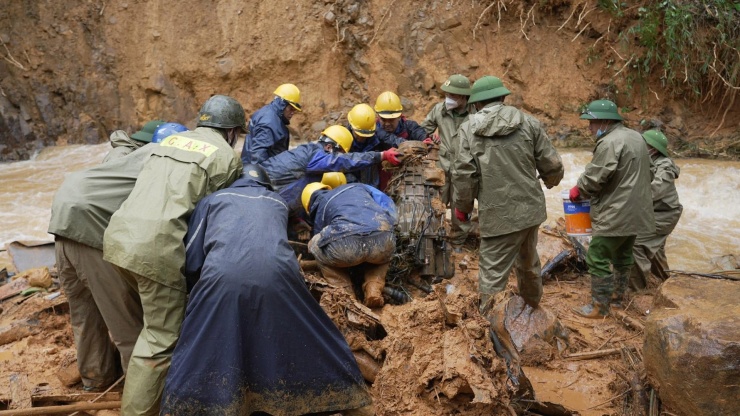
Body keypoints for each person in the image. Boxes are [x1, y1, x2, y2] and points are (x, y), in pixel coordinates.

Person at [161, 165, 373, 415]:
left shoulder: (211, 200)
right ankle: (344, 396)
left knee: (202, 341)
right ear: (265, 185)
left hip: (222, 274)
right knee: (311, 332)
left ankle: (191, 407)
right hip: (280, 273)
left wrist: (199, 294)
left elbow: (194, 256)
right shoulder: (277, 202)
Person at [103, 95, 245, 415]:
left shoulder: (172, 139)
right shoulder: (226, 158)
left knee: (150, 327)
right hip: (157, 249)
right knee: (159, 339)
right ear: (233, 132)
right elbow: (218, 219)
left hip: (117, 237)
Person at [49, 146, 159, 392]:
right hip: (88, 236)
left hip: (62, 229)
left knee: (85, 315)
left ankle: (96, 379)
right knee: (126, 323)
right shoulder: (163, 165)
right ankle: (141, 394)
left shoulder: (120, 157)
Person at [452, 76, 564, 312]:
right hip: (530, 210)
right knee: (529, 262)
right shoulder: (529, 123)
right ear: (503, 98)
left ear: (477, 104)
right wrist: (550, 181)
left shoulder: (468, 130)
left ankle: (489, 327)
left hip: (497, 214)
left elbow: (463, 175)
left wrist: (462, 209)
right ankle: (532, 309)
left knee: (492, 273)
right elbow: (552, 165)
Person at [570, 99, 655, 318]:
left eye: (592, 123)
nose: (589, 128)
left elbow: (596, 176)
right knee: (623, 255)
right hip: (638, 211)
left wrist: (578, 190)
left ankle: (600, 307)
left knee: (597, 255)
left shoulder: (609, 143)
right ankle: (617, 301)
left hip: (616, 212)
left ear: (605, 122)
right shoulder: (637, 137)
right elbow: (651, 171)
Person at [261, 124, 404, 220]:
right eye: (340, 152)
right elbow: (343, 161)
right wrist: (381, 156)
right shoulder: (316, 156)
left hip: (267, 203)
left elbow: (292, 191)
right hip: (262, 204)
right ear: (329, 147)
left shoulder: (308, 155)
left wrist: (296, 220)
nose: (339, 156)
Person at [304, 180, 398, 308]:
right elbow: (387, 203)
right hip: (381, 239)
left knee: (315, 244)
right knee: (383, 258)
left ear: (308, 205)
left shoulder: (322, 205)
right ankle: (373, 288)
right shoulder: (358, 187)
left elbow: (322, 240)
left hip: (346, 246)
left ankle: (346, 296)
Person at [420, 74, 475, 250]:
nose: (448, 99)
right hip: (442, 166)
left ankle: (458, 240)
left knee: (462, 204)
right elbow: (422, 131)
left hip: (465, 167)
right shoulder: (439, 110)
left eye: (453, 95)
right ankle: (435, 237)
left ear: (464, 97)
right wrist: (429, 140)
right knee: (436, 203)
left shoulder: (476, 114)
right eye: (447, 94)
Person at [630, 129, 683, 289]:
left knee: (635, 242)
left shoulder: (665, 166)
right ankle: (667, 282)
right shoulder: (642, 159)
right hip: (651, 212)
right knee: (656, 251)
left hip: (664, 215)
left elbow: (656, 189)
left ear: (652, 149)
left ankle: (637, 289)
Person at [374, 92, 427, 189]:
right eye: (383, 120)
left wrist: (426, 139)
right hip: (377, 179)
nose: (387, 123)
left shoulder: (409, 126)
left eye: (391, 120)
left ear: (399, 116)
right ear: (378, 116)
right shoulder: (372, 131)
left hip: (403, 180)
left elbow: (418, 132)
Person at [344, 103, 405, 188]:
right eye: (359, 134)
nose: (362, 138)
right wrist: (359, 188)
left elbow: (391, 139)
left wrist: (409, 145)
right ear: (351, 126)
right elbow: (344, 168)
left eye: (366, 135)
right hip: (351, 188)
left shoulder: (375, 132)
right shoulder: (342, 141)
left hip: (372, 184)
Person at [241, 83, 302, 164]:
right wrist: (262, 175)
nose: (292, 113)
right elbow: (257, 156)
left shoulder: (266, 112)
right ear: (282, 104)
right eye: (291, 109)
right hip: (259, 172)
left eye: (295, 110)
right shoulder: (269, 123)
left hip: (250, 169)